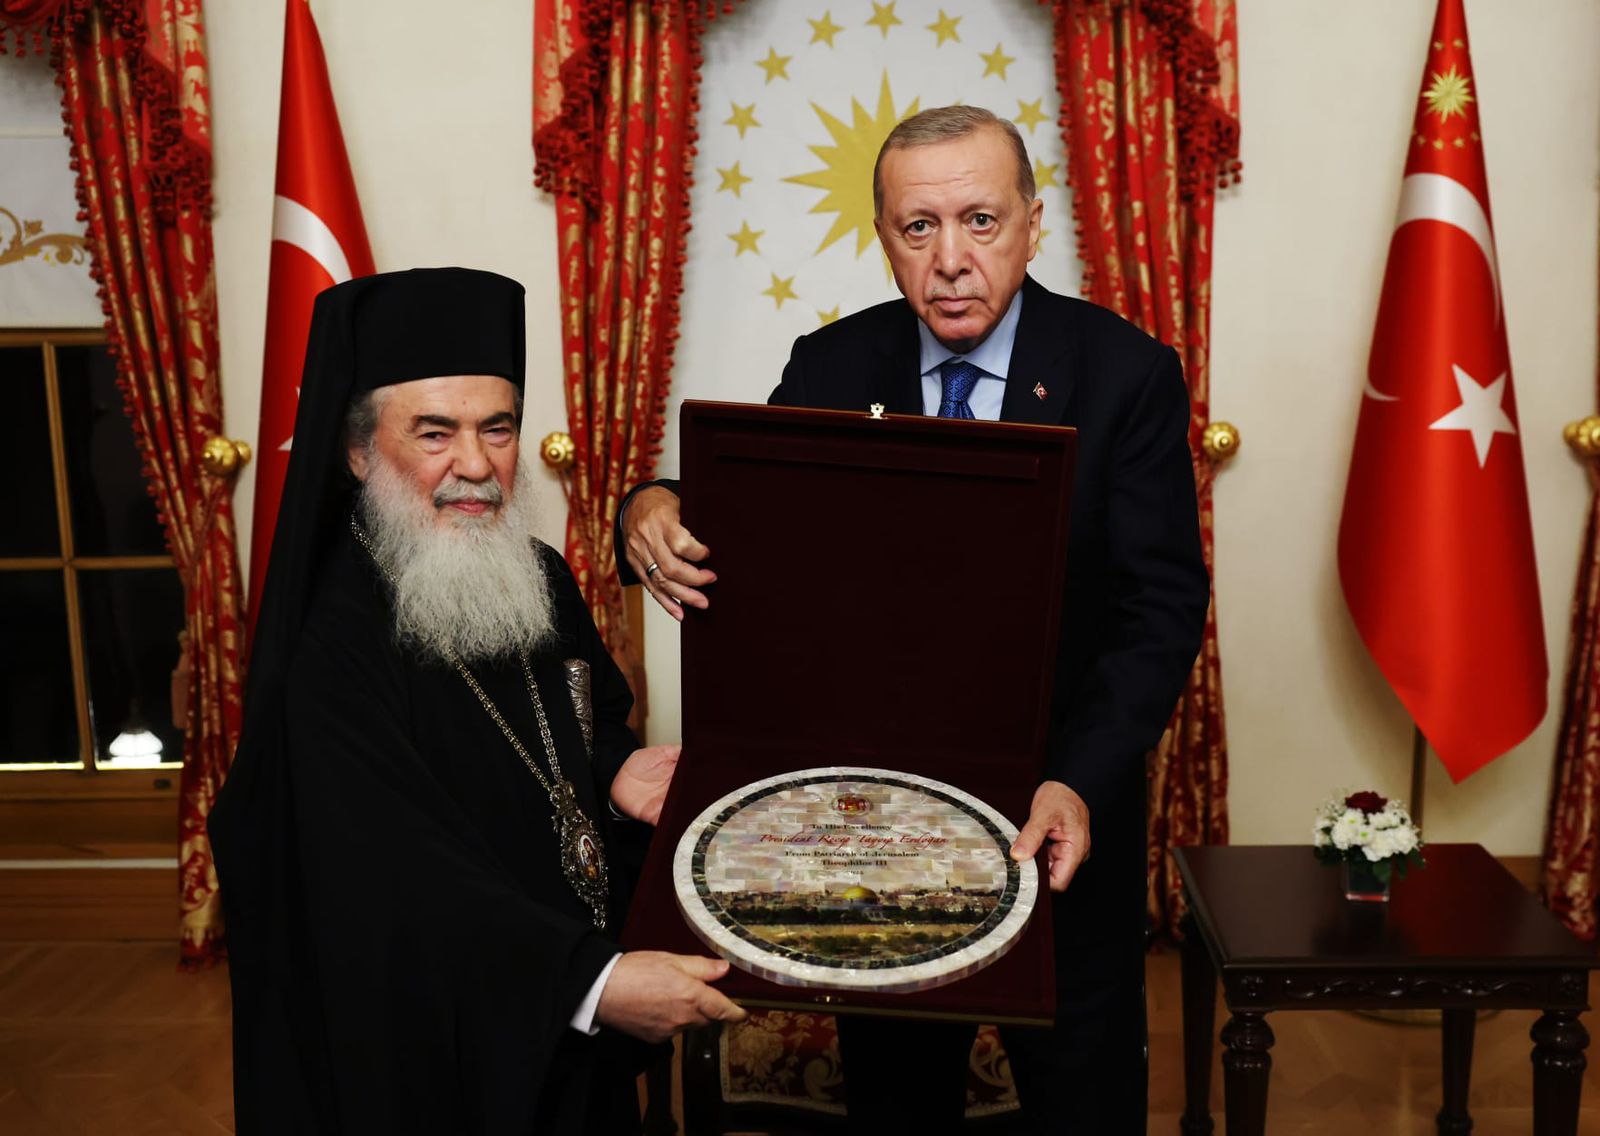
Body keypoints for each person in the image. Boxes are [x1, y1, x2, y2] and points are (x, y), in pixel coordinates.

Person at [616, 106, 1209, 1132]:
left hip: (1058, 808)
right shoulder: (833, 364)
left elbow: (1157, 609)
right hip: (880, 826)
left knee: (1084, 1094)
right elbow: (754, 527)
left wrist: (1079, 777)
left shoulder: (1126, 374)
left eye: (980, 220)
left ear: (1032, 222)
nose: (951, 260)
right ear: (885, 238)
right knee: (896, 1099)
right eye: (918, 227)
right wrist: (651, 502)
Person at [210, 267, 745, 1135]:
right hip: (433, 1055)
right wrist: (588, 980)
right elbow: (387, 873)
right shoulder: (329, 639)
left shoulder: (537, 577)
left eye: (497, 428)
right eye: (434, 433)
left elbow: (586, 720)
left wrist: (613, 776)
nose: (475, 465)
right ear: (357, 451)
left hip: (567, 1024)